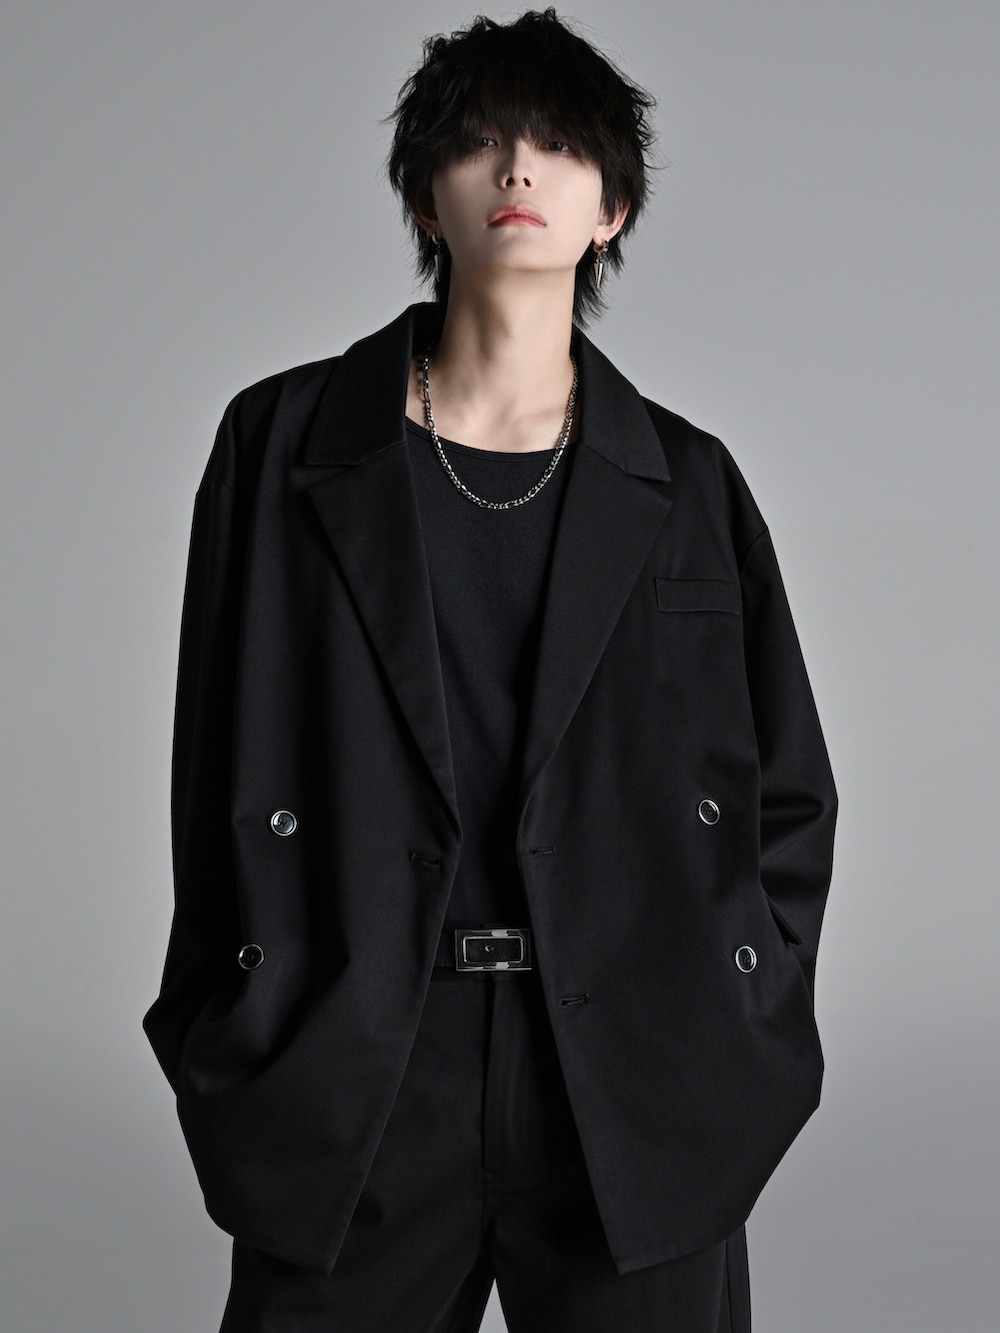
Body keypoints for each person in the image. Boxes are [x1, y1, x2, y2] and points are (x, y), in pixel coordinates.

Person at [143, 10, 837, 1331]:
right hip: (360, 1053)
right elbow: (213, 765)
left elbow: (785, 788)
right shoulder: (281, 445)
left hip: (632, 1067)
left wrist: (743, 1007)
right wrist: (238, 1023)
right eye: (480, 141)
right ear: (425, 193)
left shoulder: (689, 483)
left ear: (612, 207)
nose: (519, 167)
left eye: (560, 145)